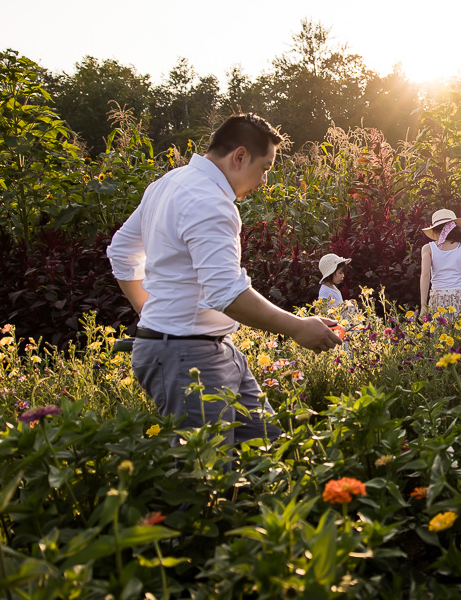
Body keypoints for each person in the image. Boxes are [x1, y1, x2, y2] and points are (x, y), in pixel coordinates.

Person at [107, 113, 341, 443]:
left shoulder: (167, 185)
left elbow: (121, 252)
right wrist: (298, 327)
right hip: (187, 358)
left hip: (209, 348)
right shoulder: (208, 202)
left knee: (272, 447)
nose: (264, 181)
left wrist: (149, 313)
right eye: (265, 168)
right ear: (240, 157)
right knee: (207, 477)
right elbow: (226, 294)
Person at [420, 209, 461, 317]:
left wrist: (423, 306)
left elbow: (425, 275)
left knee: (440, 332)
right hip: (460, 297)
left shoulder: (428, 249)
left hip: (438, 299)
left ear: (434, 231)